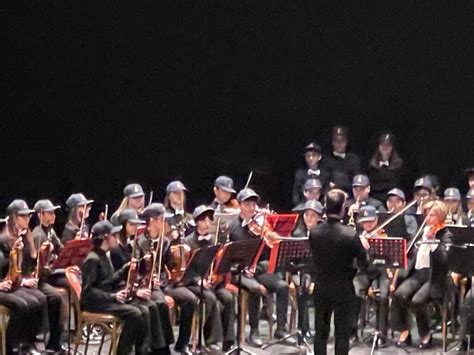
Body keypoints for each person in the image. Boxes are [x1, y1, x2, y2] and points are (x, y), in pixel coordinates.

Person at [227, 188, 293, 347]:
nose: (252, 207)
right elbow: (230, 257)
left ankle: (281, 329)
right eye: (247, 204)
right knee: (256, 289)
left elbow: (269, 254)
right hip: (239, 272)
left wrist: (268, 232)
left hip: (257, 270)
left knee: (282, 286)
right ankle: (254, 332)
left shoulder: (260, 225)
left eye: (253, 204)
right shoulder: (233, 227)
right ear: (240, 205)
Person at [309, 189, 367, 355]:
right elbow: (364, 262)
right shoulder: (350, 234)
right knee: (342, 333)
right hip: (343, 286)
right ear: (342, 208)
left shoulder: (314, 233)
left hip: (321, 286)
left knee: (320, 331)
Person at [81, 220, 149, 355]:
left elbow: (106, 282)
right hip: (95, 303)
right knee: (134, 313)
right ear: (105, 238)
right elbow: (88, 291)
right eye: (113, 235)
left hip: (105, 297)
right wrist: (113, 296)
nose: (116, 238)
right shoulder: (93, 259)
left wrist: (125, 269)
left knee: (144, 310)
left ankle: (141, 351)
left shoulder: (104, 255)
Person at [392, 200, 452, 349]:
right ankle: (405, 330)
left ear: (441, 216)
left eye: (432, 215)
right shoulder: (422, 231)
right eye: (427, 214)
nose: (429, 218)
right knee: (399, 294)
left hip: (435, 276)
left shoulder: (446, 234)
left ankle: (426, 333)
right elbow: (411, 251)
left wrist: (433, 244)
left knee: (417, 301)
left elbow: (445, 259)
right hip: (419, 273)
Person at [139, 203, 197, 354]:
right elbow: (138, 270)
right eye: (161, 219)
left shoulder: (164, 241)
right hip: (147, 285)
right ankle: (161, 345)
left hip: (164, 283)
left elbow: (169, 265)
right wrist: (149, 279)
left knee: (190, 299)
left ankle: (182, 343)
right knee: (161, 303)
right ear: (152, 221)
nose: (165, 223)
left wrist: (180, 256)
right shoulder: (140, 242)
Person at [184, 205, 233, 351]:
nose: (207, 223)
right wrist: (199, 280)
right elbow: (186, 269)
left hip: (213, 282)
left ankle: (228, 339)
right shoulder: (188, 242)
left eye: (209, 220)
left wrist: (217, 276)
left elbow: (219, 264)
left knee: (228, 297)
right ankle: (210, 341)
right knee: (213, 300)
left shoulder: (214, 240)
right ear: (196, 222)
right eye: (203, 220)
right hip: (194, 283)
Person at [0, 215, 44, 354]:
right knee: (21, 305)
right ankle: (9, 346)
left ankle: (25, 343)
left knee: (37, 300)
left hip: (5, 285)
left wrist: (17, 252)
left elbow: (12, 271)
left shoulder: (4, 247)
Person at [351, 205, 390, 347]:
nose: (368, 224)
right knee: (354, 293)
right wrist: (359, 246)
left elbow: (391, 258)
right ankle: (352, 333)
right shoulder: (356, 237)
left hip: (380, 272)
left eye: (371, 221)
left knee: (383, 296)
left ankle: (382, 334)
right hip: (363, 271)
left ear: (377, 220)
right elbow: (353, 260)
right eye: (365, 221)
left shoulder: (384, 235)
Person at [291, 199, 324, 337]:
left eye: (313, 215)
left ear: (319, 218)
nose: (309, 218)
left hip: (320, 272)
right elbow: (293, 261)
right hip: (303, 271)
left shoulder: (324, 234)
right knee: (303, 287)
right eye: (306, 215)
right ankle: (304, 330)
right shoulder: (298, 234)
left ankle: (321, 329)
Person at [323, 126, 362, 192]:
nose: (339, 143)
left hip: (350, 196)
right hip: (331, 195)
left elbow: (357, 180)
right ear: (332, 142)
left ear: (346, 142)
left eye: (342, 140)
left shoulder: (354, 159)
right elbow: (324, 180)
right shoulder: (326, 159)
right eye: (336, 140)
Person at [367, 132, 404, 202]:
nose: (385, 148)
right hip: (374, 200)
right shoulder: (371, 165)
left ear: (392, 147)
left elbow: (397, 186)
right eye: (382, 145)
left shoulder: (399, 166)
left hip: (392, 200)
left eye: (388, 145)